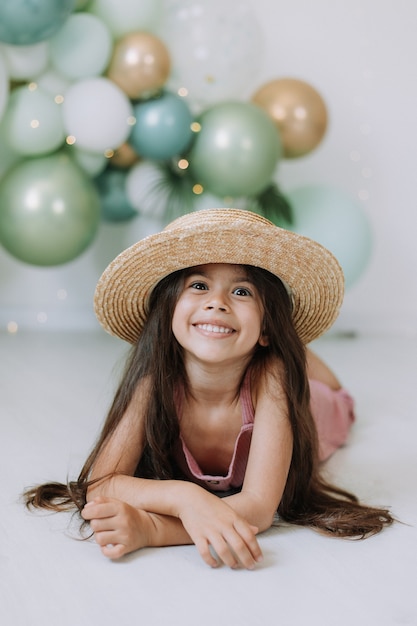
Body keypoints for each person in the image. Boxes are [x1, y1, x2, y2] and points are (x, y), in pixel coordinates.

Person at [24, 208, 394, 570]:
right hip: (256, 353)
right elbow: (102, 484)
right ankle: (273, 341)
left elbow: (260, 507)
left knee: (332, 395)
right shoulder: (155, 382)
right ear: (169, 312)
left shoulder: (273, 378)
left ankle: (295, 351)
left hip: (314, 410)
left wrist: (155, 528)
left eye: (242, 291)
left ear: (266, 327)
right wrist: (183, 496)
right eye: (198, 286)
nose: (217, 302)